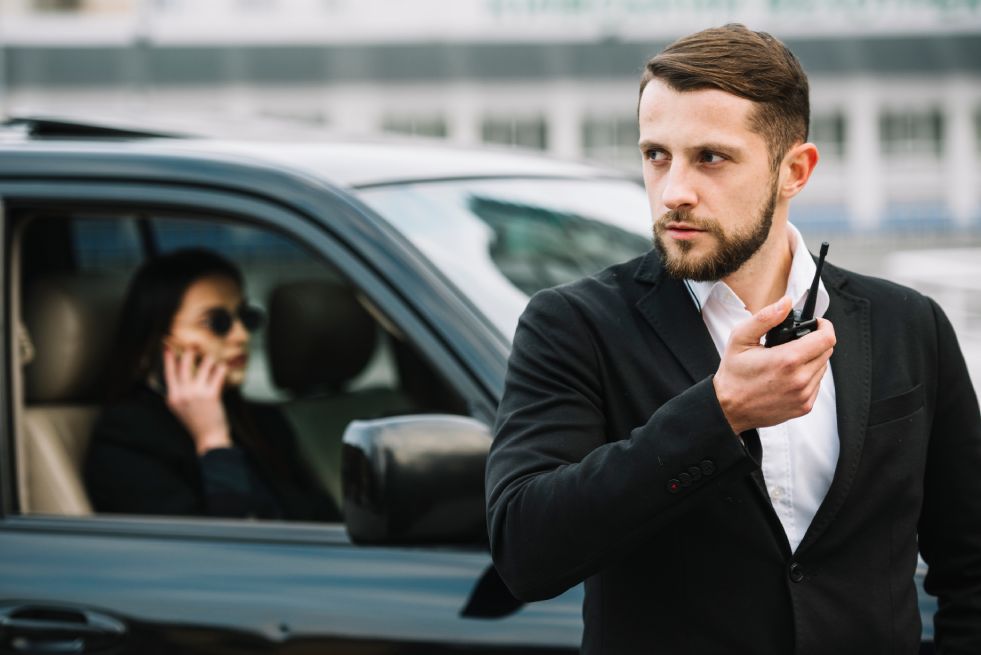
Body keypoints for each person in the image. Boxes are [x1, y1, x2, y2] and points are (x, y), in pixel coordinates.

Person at [485, 24, 981, 654]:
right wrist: (718, 415)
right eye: (656, 155)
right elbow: (525, 552)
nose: (674, 192)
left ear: (794, 170)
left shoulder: (908, 324)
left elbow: (970, 563)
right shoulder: (573, 324)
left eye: (710, 158)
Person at [85, 248, 340, 522]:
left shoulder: (263, 421)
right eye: (216, 323)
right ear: (161, 341)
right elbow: (223, 552)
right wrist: (213, 442)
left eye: (246, 316)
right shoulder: (127, 439)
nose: (241, 335)